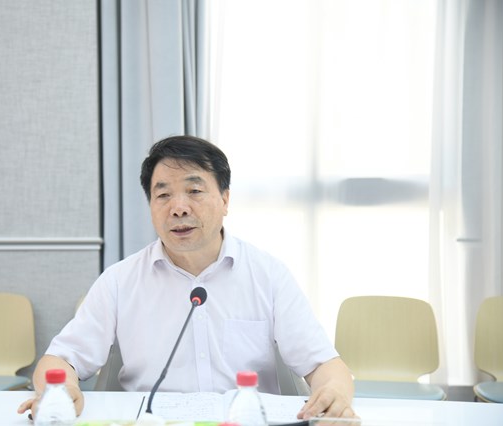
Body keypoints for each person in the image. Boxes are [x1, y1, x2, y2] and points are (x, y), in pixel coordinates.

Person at [18, 135, 356, 421]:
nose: (178, 208)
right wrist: (61, 389)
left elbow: (324, 365)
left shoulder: (268, 275)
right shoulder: (120, 281)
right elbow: (59, 359)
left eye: (194, 191)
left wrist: (334, 393)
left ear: (225, 199)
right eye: (163, 195)